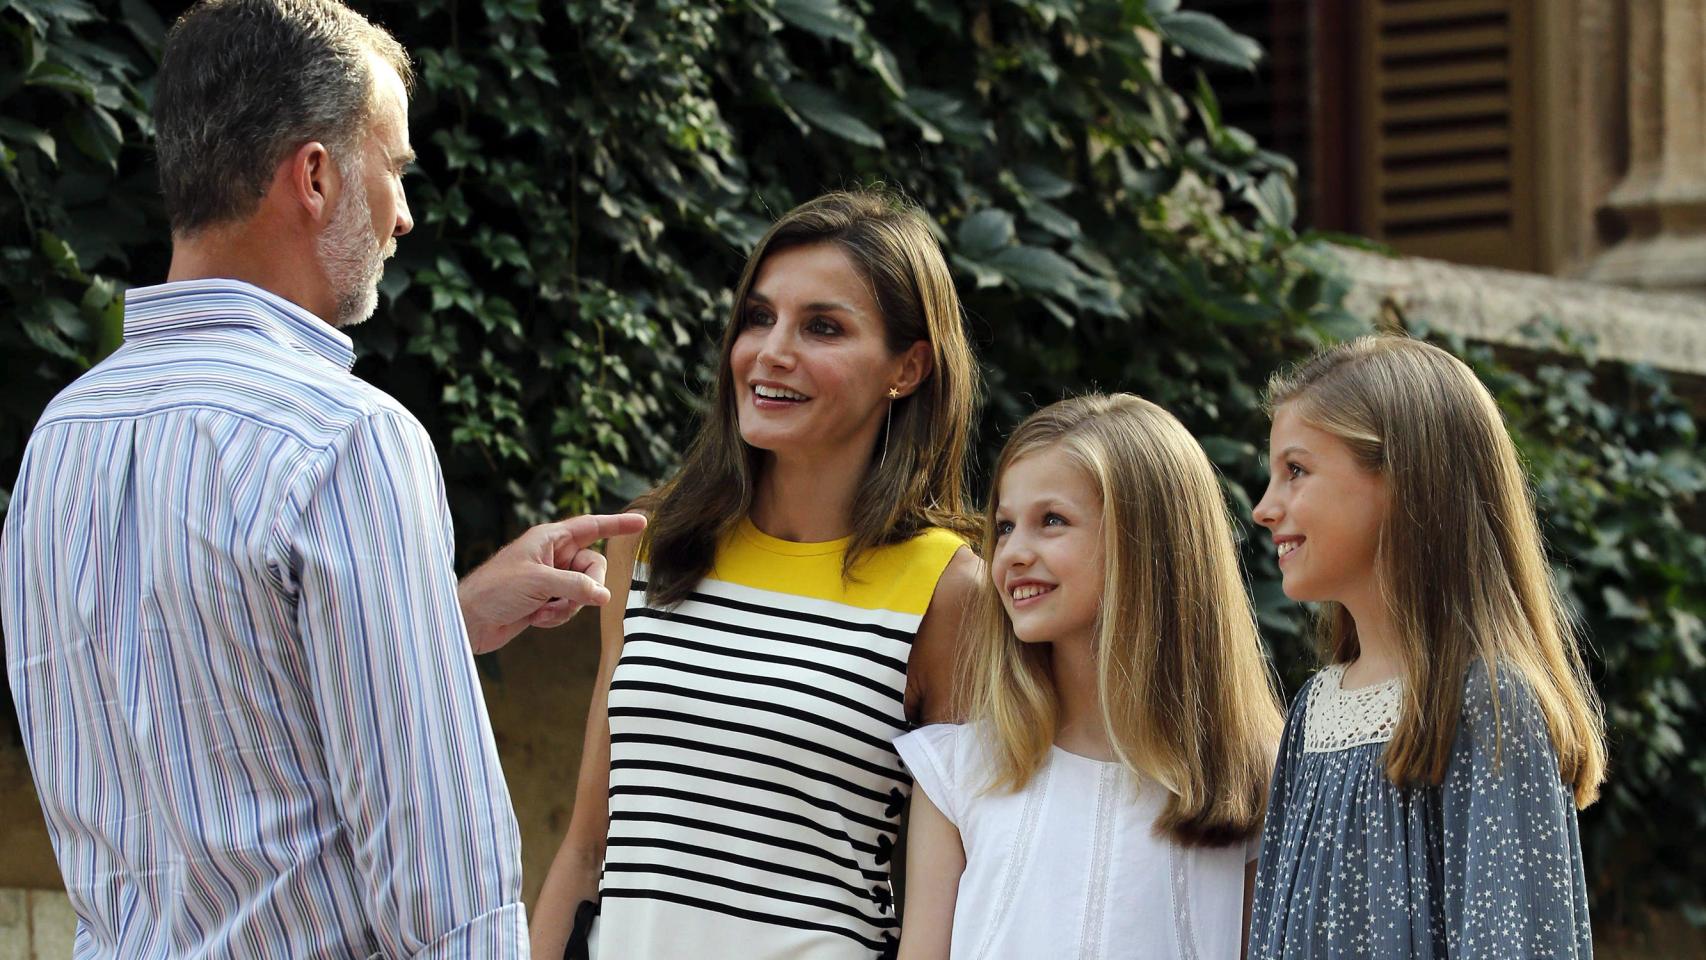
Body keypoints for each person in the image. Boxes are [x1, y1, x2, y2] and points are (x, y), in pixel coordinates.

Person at [0, 1, 641, 956]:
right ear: (315, 175)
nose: (405, 214)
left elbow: (196, 717)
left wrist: (438, 622)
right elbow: (445, 890)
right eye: (394, 169)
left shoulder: (63, 435)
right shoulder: (347, 439)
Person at [529, 190, 982, 960]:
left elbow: (956, 889)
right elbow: (586, 848)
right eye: (758, 317)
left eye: (823, 327)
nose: (771, 352)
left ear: (908, 367)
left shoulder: (947, 588)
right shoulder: (651, 547)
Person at [1247, 335, 1607, 959]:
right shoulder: (1314, 710)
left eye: (1296, 471)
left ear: (1405, 480)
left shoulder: (1488, 704)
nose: (1263, 508)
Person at [893, 394, 1284, 960]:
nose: (1013, 554)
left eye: (1051, 521)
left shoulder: (1252, 776)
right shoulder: (958, 772)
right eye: (1004, 526)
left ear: (1151, 545)